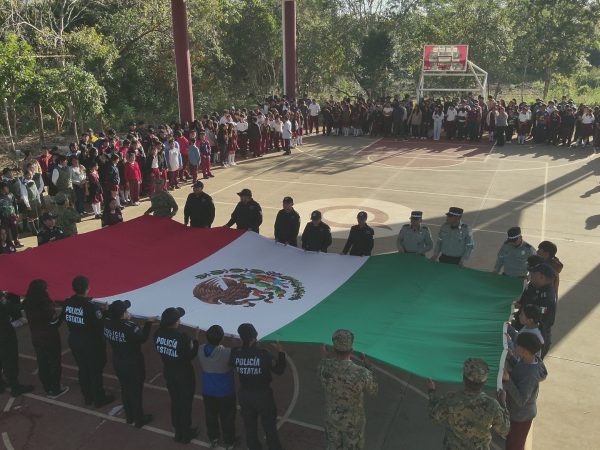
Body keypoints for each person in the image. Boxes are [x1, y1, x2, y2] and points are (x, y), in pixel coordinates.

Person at [427, 358, 510, 450]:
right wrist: (503, 403)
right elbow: (505, 430)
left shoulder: (451, 399)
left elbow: (434, 416)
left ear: (464, 378)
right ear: (484, 382)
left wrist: (431, 392)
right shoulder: (492, 405)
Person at [229, 323, 286, 450]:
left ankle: (253, 447)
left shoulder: (236, 353)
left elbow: (232, 363)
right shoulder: (263, 354)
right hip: (263, 395)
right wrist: (281, 352)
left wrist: (237, 347)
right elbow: (279, 370)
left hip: (245, 394)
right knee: (269, 425)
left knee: (249, 426)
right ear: (254, 338)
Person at [319, 329, 378, 450]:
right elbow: (373, 391)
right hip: (353, 423)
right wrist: (369, 365)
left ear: (334, 349)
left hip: (332, 419)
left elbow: (324, 366)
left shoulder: (324, 366)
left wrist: (325, 355)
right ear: (352, 350)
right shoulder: (362, 373)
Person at [60, 276, 114, 407]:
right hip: (91, 343)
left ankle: (88, 397)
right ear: (87, 288)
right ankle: (99, 399)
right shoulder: (91, 306)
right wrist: (105, 312)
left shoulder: (67, 302)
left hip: (75, 340)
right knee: (95, 371)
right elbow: (100, 324)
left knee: (83, 369)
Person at [104, 300, 155, 428]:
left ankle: (130, 416)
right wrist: (149, 323)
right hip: (132, 362)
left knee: (125, 389)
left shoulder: (107, 323)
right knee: (135, 391)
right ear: (122, 314)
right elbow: (142, 338)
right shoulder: (129, 326)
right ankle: (139, 419)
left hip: (118, 360)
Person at [154, 307, 200, 443]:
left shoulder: (157, 334)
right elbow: (191, 355)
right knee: (185, 404)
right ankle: (185, 433)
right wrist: (196, 340)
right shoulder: (183, 337)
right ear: (176, 321)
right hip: (184, 374)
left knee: (175, 402)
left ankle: (178, 431)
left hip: (169, 371)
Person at [22, 279, 68, 398]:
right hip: (49, 338)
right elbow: (54, 323)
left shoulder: (27, 303)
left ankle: (47, 387)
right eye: (46, 288)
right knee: (54, 363)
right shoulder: (45, 304)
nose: (47, 290)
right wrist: (63, 314)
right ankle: (56, 388)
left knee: (42, 363)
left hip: (36, 337)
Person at [503, 333, 548, 450]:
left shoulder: (530, 375)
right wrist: (511, 358)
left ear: (525, 352)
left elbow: (521, 400)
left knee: (514, 445)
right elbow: (520, 370)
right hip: (518, 414)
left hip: (520, 417)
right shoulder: (529, 360)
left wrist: (508, 380)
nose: (515, 346)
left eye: (517, 345)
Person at [198, 325, 236, 450]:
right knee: (227, 417)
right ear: (222, 338)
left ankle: (213, 437)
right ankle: (229, 441)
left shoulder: (201, 349)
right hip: (225, 391)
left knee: (210, 415)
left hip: (208, 390)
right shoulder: (227, 352)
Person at [0, 290, 34, 397]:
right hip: (4, 334)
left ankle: (1, 384)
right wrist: (5, 301)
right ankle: (15, 387)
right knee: (10, 360)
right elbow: (14, 311)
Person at [523, 264, 556, 358]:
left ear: (542, 277)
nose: (530, 275)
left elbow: (541, 322)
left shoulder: (546, 299)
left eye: (533, 274)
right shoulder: (538, 289)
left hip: (535, 339)